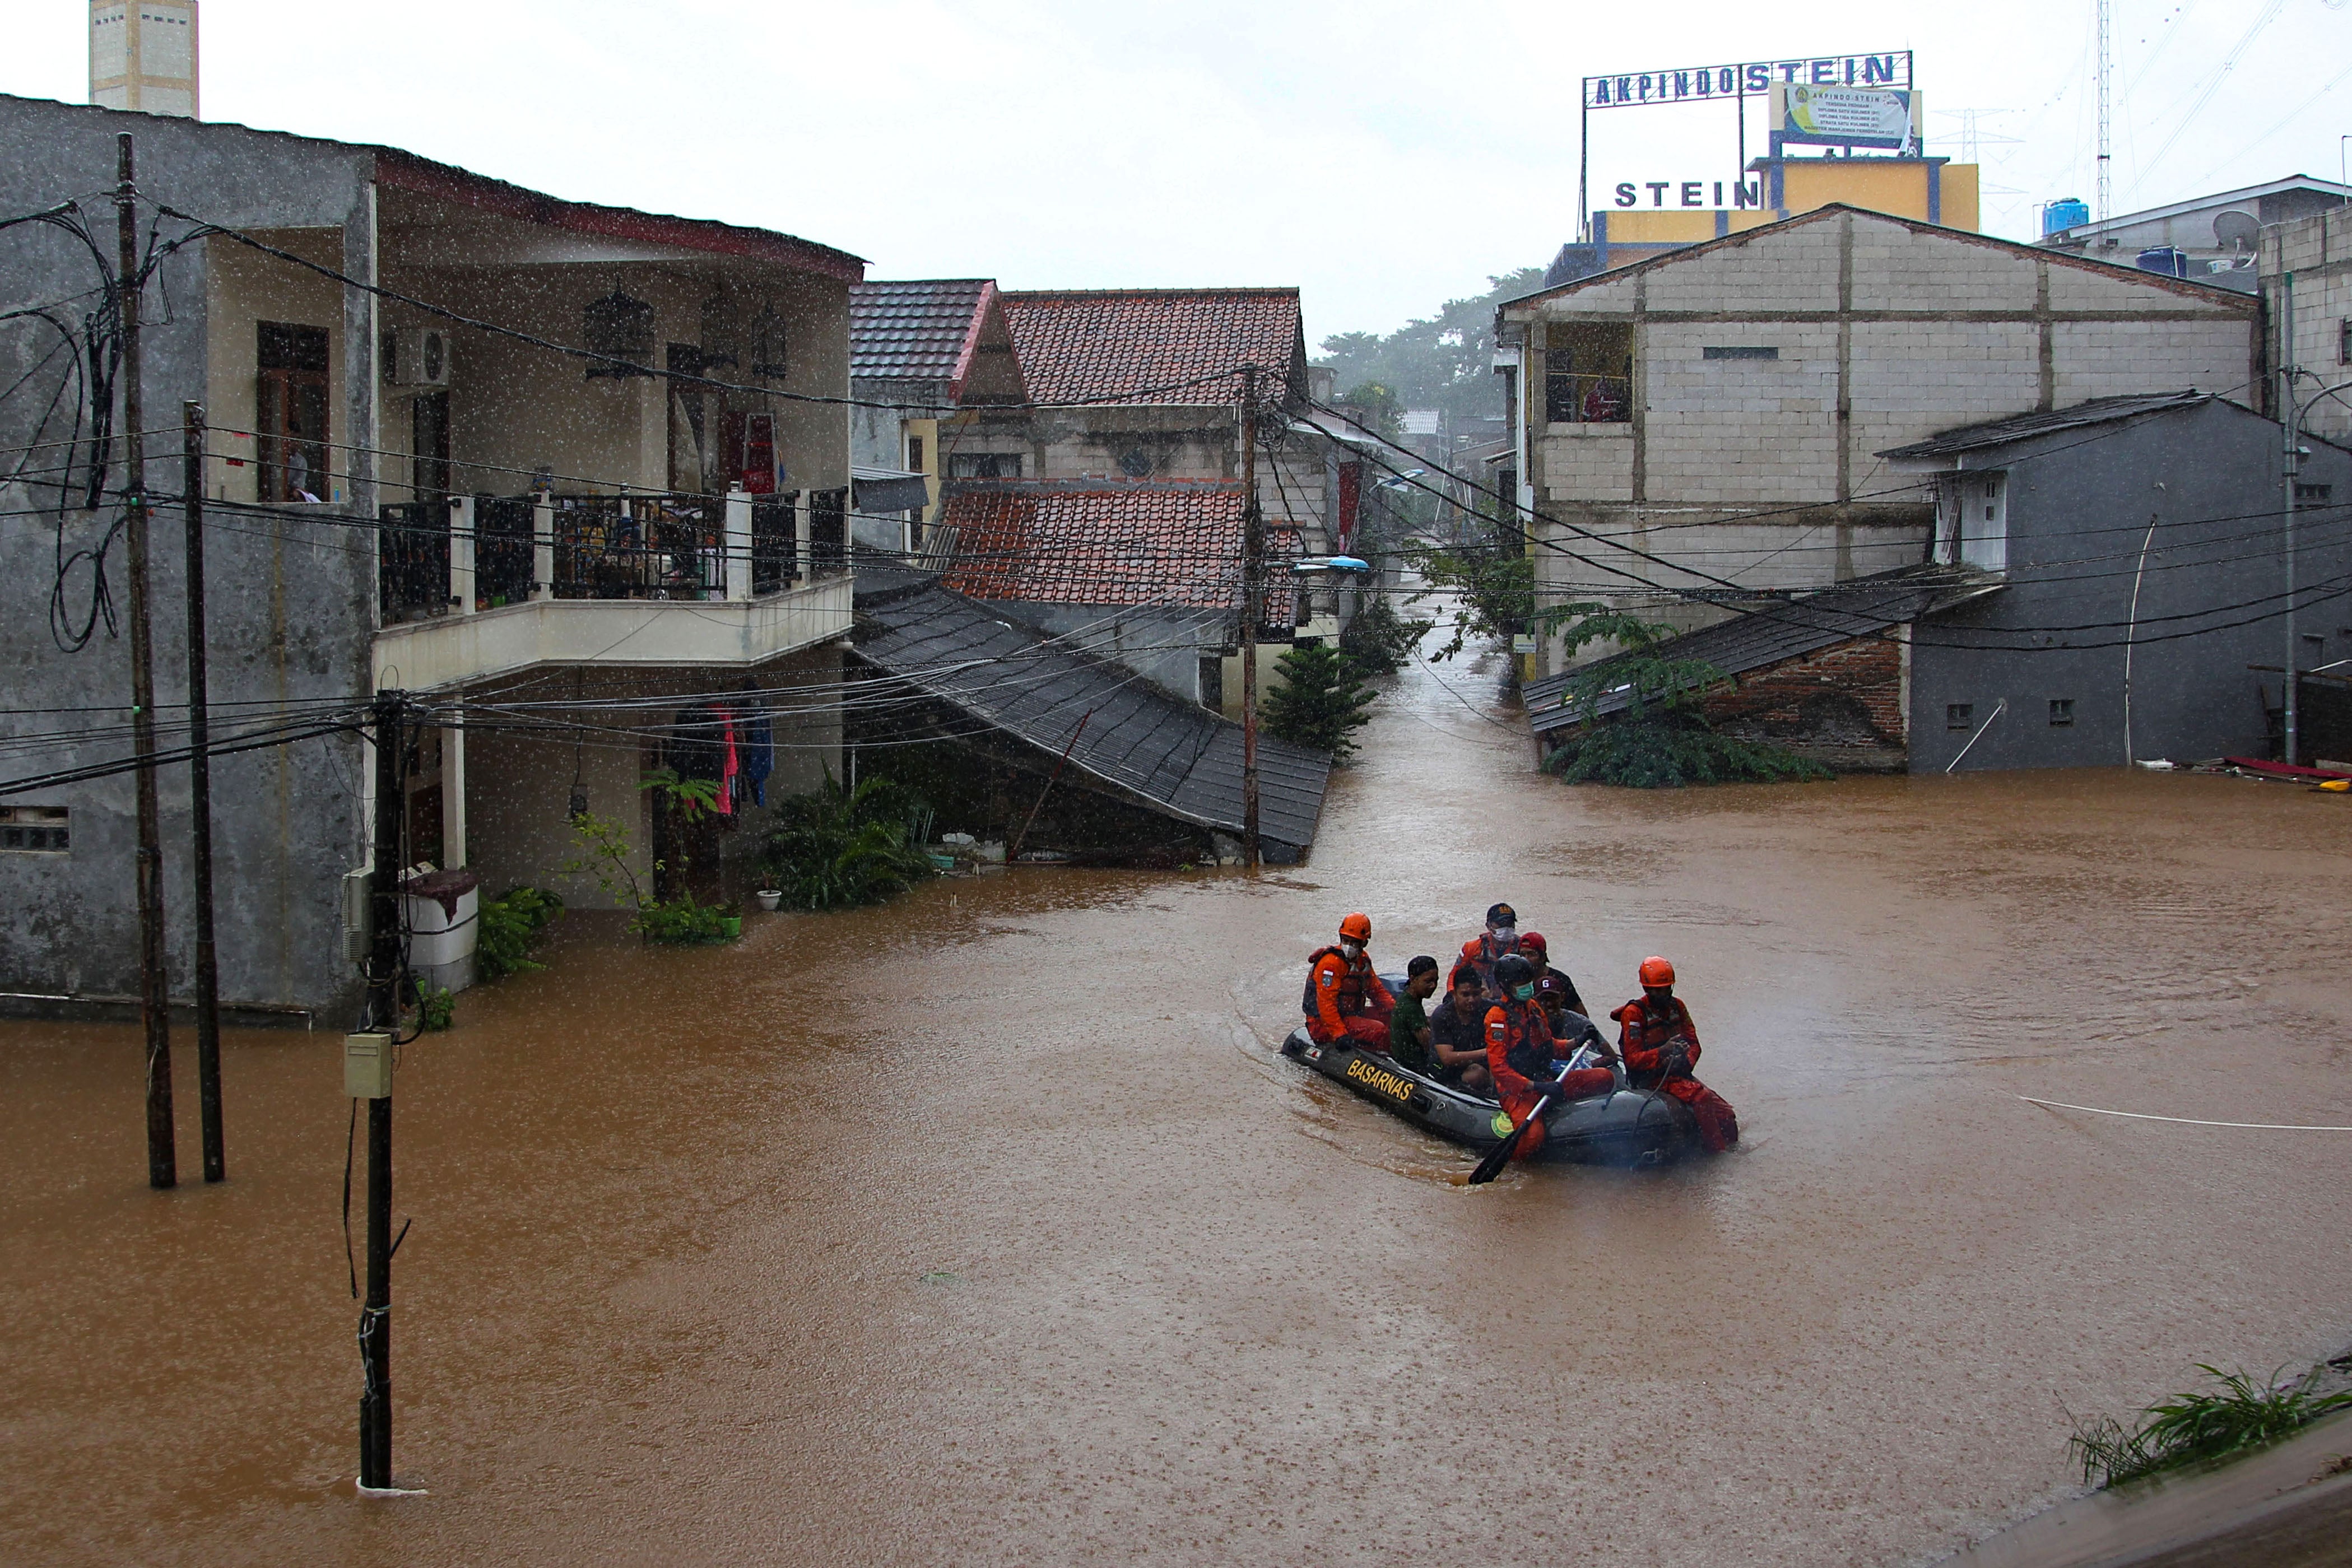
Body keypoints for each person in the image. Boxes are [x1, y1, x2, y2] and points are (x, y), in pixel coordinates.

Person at [1486, 955, 1617, 1162]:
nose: (1527, 988)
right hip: (1518, 1091)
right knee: (1533, 1138)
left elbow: (1549, 1046)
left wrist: (1576, 1041)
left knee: (1604, 1077)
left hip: (1547, 1078)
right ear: (1506, 986)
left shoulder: (1534, 1008)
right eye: (1521, 984)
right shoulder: (1497, 1019)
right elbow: (1499, 1069)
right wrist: (1535, 1086)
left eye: (1528, 982)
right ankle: (1515, 1163)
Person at [1610, 956, 1739, 1153]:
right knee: (1701, 1098)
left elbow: (1694, 1043)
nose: (1663, 994)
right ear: (1647, 989)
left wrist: (1686, 1062)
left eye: (1666, 988)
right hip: (1651, 1078)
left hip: (1679, 1073)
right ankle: (1716, 1154)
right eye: (1658, 990)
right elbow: (1633, 1059)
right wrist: (1663, 1052)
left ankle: (1729, 1149)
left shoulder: (1678, 1007)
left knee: (1726, 1115)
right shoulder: (1634, 1014)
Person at [1302, 912, 1396, 1053]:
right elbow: (1326, 1004)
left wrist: (1398, 1011)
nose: (1349, 946)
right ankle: (1384, 1059)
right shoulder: (1331, 965)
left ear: (1364, 943)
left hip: (1351, 1016)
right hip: (1323, 1025)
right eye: (1346, 940)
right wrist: (1340, 1034)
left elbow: (1377, 991)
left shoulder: (1363, 961)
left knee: (1392, 1019)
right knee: (1379, 1031)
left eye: (1354, 942)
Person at [1426, 969, 1495, 1094]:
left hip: (1481, 1064)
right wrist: (1489, 1052)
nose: (1471, 1000)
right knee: (1477, 1074)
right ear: (1454, 994)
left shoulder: (1491, 1010)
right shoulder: (1442, 1016)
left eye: (1476, 994)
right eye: (1465, 995)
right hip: (1447, 1072)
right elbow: (1447, 1058)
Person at [1448, 902, 1522, 993]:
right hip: (1478, 998)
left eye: (1510, 924)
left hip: (1513, 997)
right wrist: (1453, 995)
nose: (1506, 928)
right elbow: (1455, 975)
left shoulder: (1522, 948)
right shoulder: (1472, 948)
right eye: (1502, 924)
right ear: (1488, 926)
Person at [1517, 932, 1588, 1026]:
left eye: (1531, 954)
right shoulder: (1517, 981)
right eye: (1522, 955)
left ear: (1543, 957)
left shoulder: (1561, 980)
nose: (1526, 959)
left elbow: (1582, 1016)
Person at [1388, 956, 1442, 1072]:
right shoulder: (1411, 1008)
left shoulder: (1406, 998)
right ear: (1413, 979)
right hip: (1415, 1066)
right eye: (1428, 981)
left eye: (1436, 981)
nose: (1433, 986)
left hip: (1405, 1061)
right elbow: (1430, 1047)